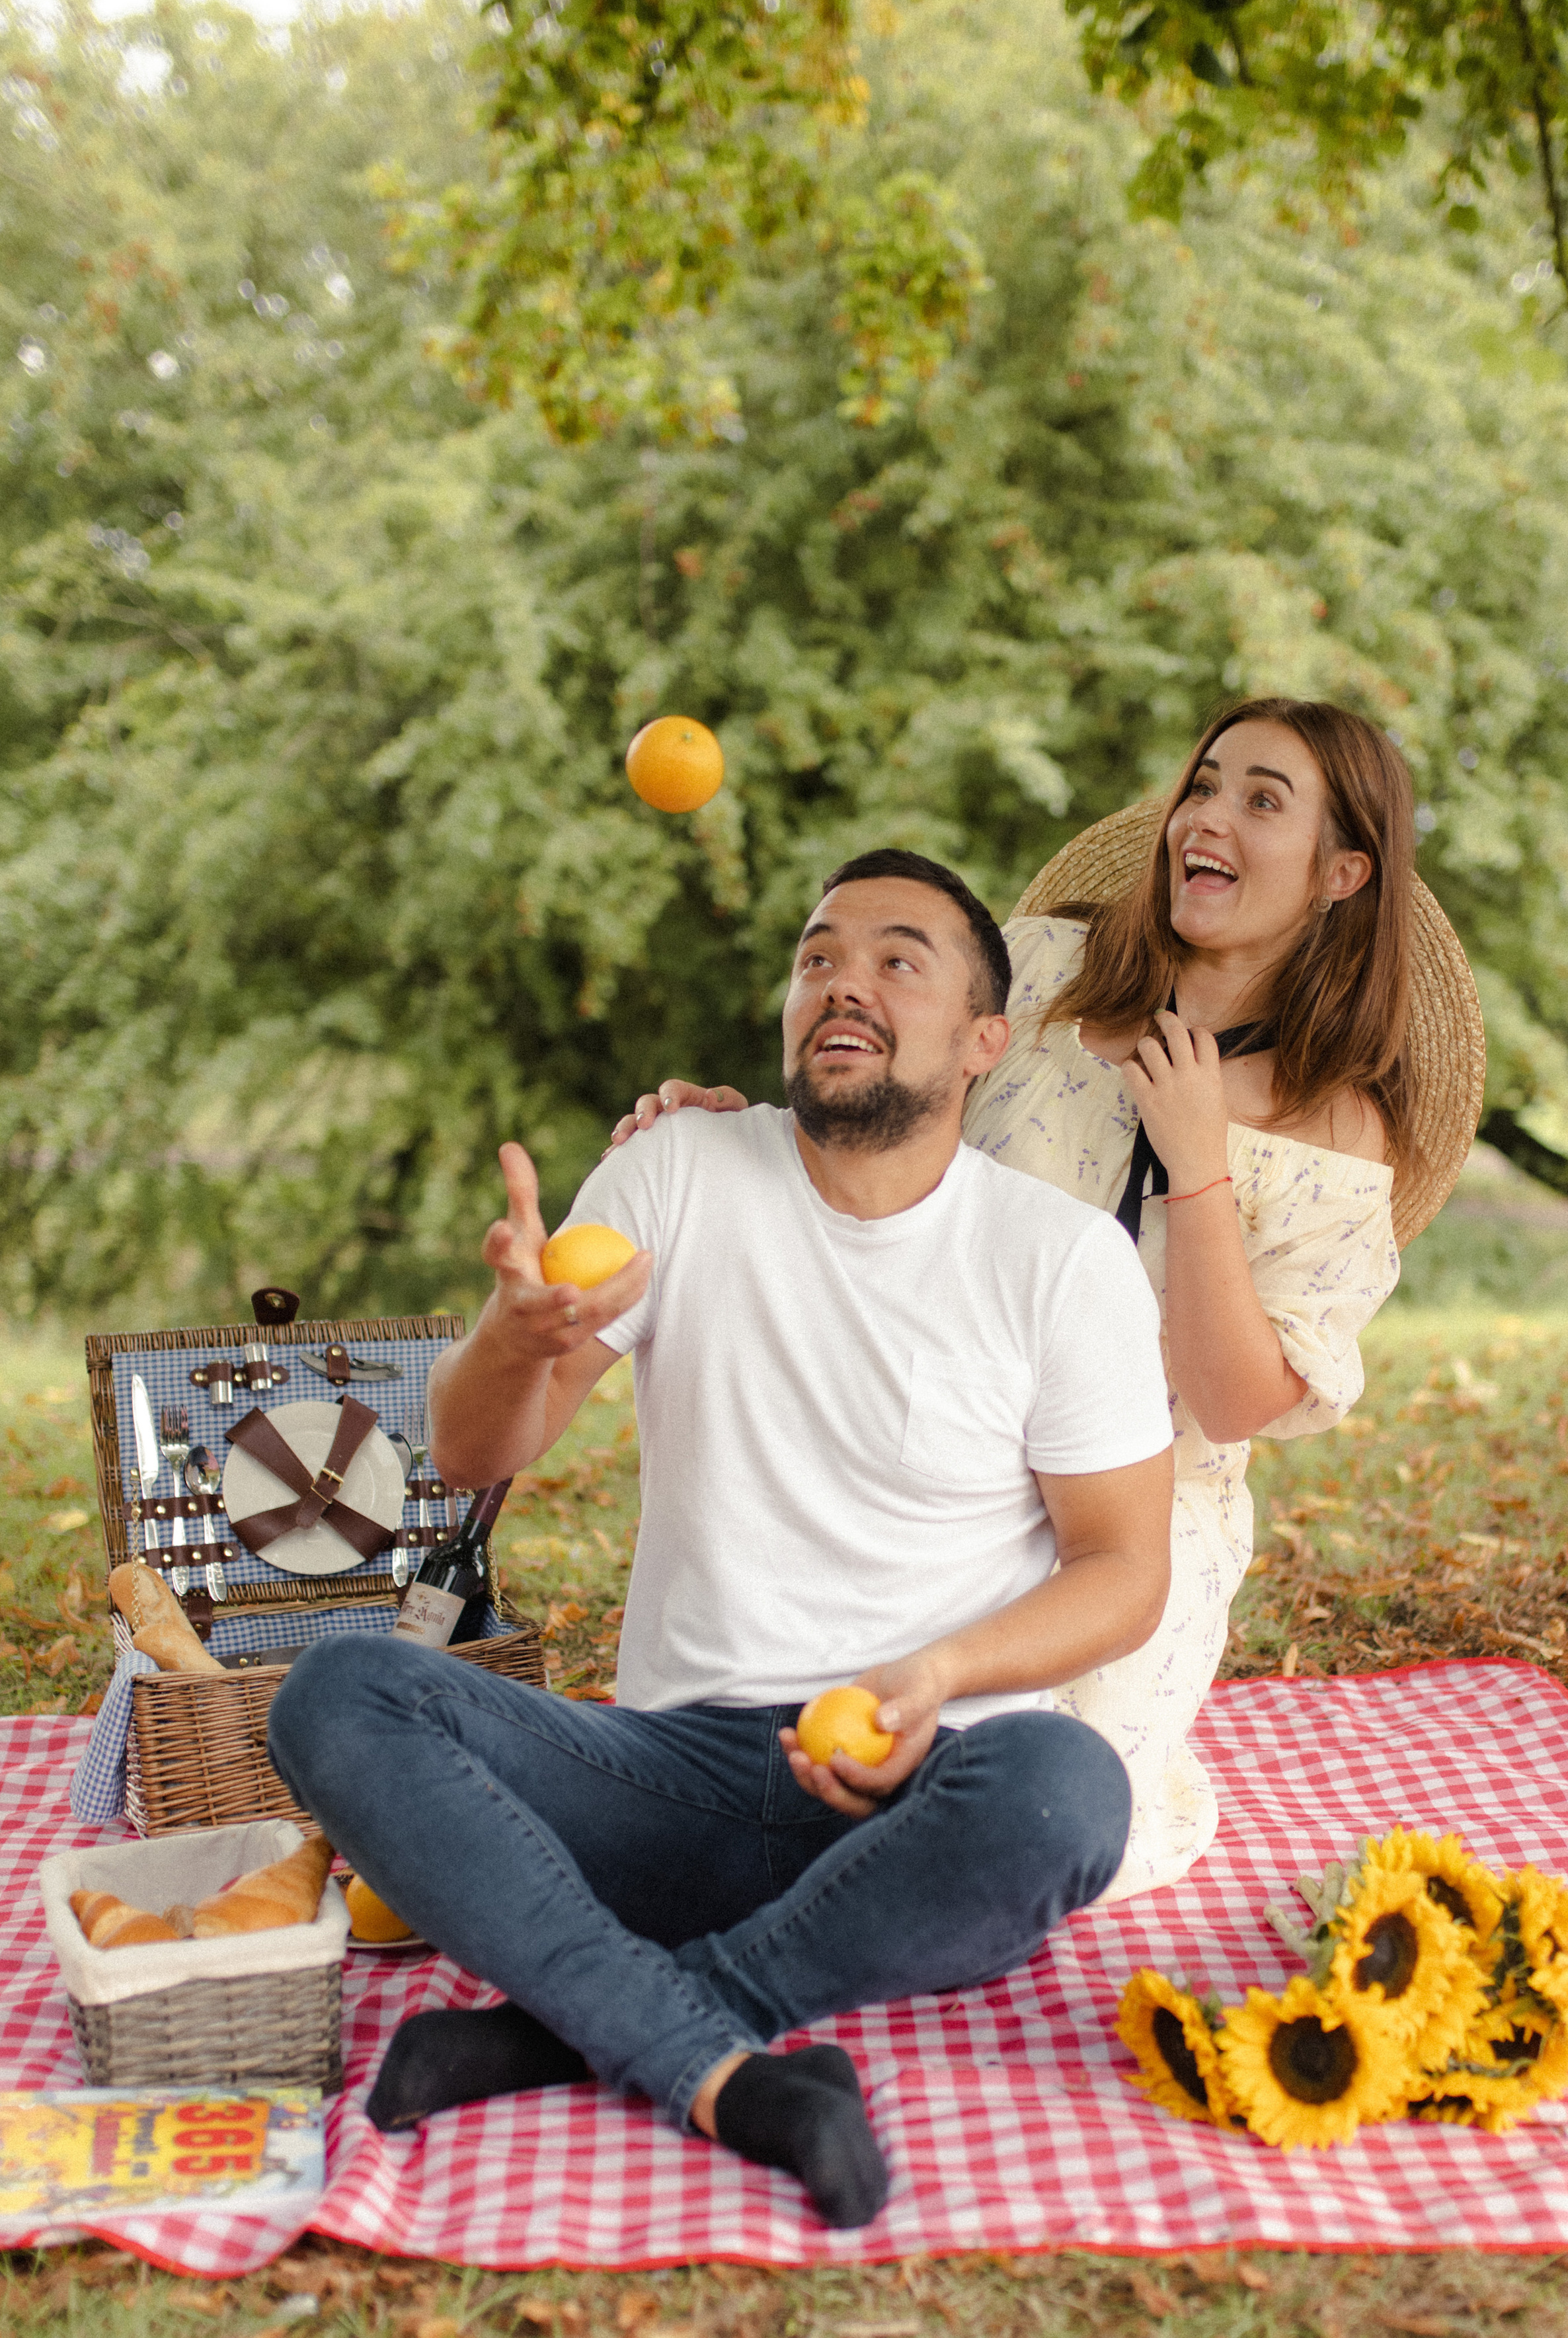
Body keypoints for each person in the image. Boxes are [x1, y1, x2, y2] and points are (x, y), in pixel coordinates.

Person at [267, 849, 1175, 2230]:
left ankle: (585, 2026)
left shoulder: (1056, 1259)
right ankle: (737, 2070)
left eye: (894, 959)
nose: (842, 984)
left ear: (982, 1039)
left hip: (915, 1798)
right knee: (336, 1695)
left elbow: (1123, 1568)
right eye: (816, 955)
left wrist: (934, 1678)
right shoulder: (677, 1169)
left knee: (1067, 1789)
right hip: (663, 1782)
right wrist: (515, 1338)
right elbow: (468, 1450)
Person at [608, 698, 1483, 1900]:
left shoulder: (1340, 1122)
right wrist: (744, 1128)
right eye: (1206, 783)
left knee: (1046, 1828)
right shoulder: (1054, 973)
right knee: (819, 1764)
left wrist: (1201, 1164)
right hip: (927, 1439)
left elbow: (1232, 1403)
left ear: (1342, 872)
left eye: (1262, 800)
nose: (1207, 817)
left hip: (1133, 1522)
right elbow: (887, 1108)